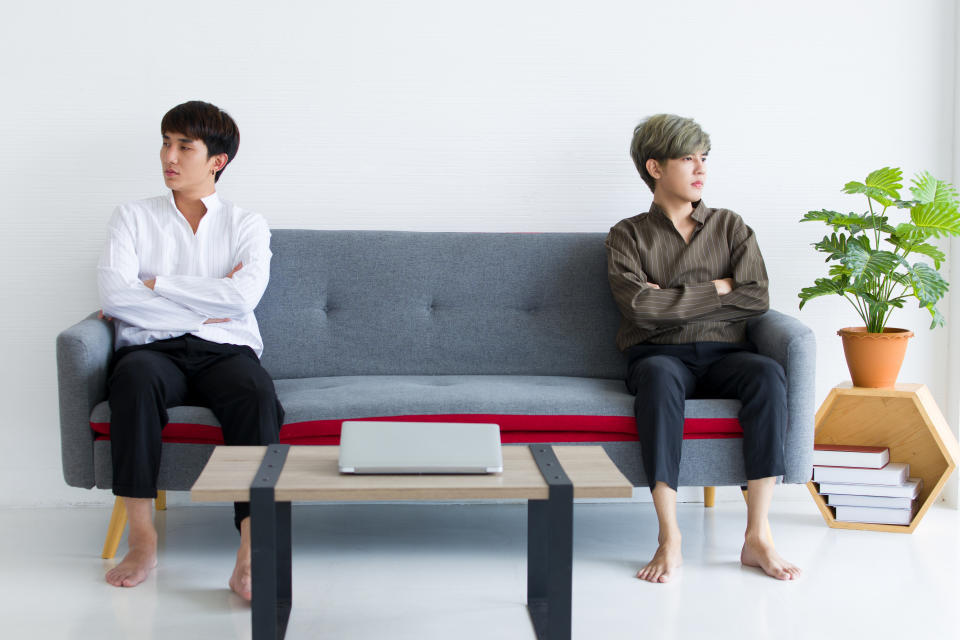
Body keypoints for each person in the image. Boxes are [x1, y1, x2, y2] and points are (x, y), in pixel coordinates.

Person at [98, 100, 284, 599]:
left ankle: (251, 549)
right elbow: (115, 296)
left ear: (216, 161)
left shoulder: (247, 224)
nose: (169, 156)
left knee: (256, 396)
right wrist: (205, 300)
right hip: (152, 351)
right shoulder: (132, 217)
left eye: (184, 146)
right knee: (133, 383)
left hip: (225, 349)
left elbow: (243, 298)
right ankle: (141, 541)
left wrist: (156, 284)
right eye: (165, 142)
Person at [605, 114, 801, 583]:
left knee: (768, 375)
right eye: (687, 158)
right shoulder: (627, 235)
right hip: (657, 356)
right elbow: (640, 310)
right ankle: (669, 536)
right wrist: (718, 287)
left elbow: (756, 298)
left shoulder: (731, 227)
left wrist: (668, 296)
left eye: (704, 158)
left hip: (724, 354)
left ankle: (758, 535)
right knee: (656, 379)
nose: (700, 169)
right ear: (655, 167)